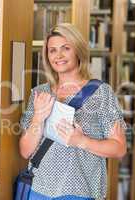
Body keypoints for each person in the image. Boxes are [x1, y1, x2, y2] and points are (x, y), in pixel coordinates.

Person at [19, 23, 127, 200]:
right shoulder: (40, 93)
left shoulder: (101, 92)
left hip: (79, 192)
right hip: (38, 190)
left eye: (65, 48)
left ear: (78, 51)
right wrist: (38, 118)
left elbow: (119, 148)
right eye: (52, 50)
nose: (58, 55)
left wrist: (80, 141)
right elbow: (25, 151)